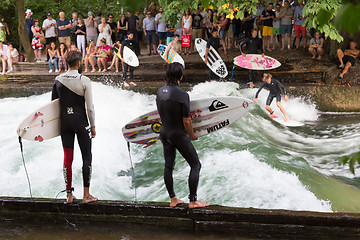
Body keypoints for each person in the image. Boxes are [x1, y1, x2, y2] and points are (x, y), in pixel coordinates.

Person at [156, 62, 209, 209]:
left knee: (168, 166)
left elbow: (160, 113)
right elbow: (186, 121)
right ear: (180, 75)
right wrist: (191, 134)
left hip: (164, 132)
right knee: (195, 165)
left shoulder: (160, 91)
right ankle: (193, 201)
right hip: (177, 134)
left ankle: (173, 199)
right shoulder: (182, 95)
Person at [51, 50, 98, 204]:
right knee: (86, 156)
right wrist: (93, 126)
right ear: (79, 63)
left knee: (67, 159)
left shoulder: (57, 80)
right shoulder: (84, 80)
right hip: (80, 123)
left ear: (66, 63)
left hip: (65, 124)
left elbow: (53, 106)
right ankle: (86, 195)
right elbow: (90, 107)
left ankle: (69, 195)